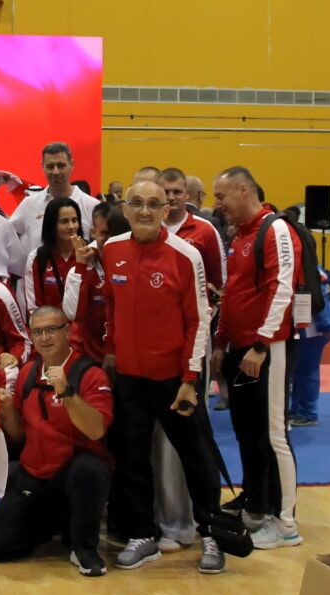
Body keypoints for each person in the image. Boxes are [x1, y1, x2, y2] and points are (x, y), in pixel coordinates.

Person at [101, 180, 223, 574]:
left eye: (154, 204)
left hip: (175, 379)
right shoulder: (112, 249)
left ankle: (211, 533)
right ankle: (143, 534)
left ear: (166, 209)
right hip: (131, 379)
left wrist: (191, 377)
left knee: (197, 457)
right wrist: (111, 351)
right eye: (136, 203)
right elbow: (112, 307)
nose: (145, 211)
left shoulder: (185, 254)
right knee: (133, 457)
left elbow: (199, 318)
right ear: (125, 206)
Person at [0, 305, 114, 576]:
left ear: (68, 331)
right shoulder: (28, 373)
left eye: (52, 329)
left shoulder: (91, 374)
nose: (45, 337)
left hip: (71, 476)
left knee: (90, 468)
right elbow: (18, 435)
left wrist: (66, 393)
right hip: (35, 475)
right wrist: (6, 410)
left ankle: (84, 547)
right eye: (38, 332)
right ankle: (54, 524)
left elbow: (96, 430)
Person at [211, 166, 303, 550]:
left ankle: (286, 525)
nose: (217, 206)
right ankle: (256, 506)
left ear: (244, 189)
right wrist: (221, 341)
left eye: (222, 196)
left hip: (267, 351)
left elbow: (282, 288)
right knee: (248, 433)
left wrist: (263, 345)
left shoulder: (275, 229)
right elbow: (233, 295)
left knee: (273, 435)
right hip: (239, 351)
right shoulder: (240, 236)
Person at [63, 203, 130, 363]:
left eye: (116, 234)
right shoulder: (80, 269)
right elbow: (73, 314)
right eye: (105, 233)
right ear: (93, 232)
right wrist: (81, 266)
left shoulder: (132, 268)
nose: (111, 240)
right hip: (86, 357)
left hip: (124, 357)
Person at [9, 142, 100, 250]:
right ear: (42, 166)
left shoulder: (92, 206)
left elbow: (102, 244)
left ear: (72, 165)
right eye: (50, 166)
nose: (55, 172)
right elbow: (5, 236)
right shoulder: (28, 205)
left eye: (61, 166)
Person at [289, 267, 330, 426]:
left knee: (307, 369)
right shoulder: (310, 265)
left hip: (314, 324)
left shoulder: (307, 270)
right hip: (307, 322)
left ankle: (308, 413)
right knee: (297, 369)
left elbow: (318, 299)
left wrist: (325, 325)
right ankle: (297, 408)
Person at [19, 197, 83, 315]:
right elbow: (33, 308)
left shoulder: (89, 254)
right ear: (52, 225)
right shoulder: (37, 258)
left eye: (74, 220)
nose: (71, 226)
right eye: (64, 221)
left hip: (83, 332)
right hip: (50, 330)